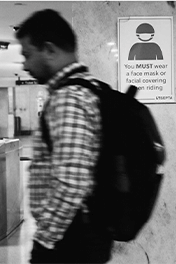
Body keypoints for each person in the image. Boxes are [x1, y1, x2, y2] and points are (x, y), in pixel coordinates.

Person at [15, 9, 113, 263]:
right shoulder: (88, 88)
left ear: (48, 49)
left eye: (27, 54)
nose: (24, 65)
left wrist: (44, 242)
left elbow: (71, 181)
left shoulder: (68, 99)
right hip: (80, 231)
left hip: (71, 239)